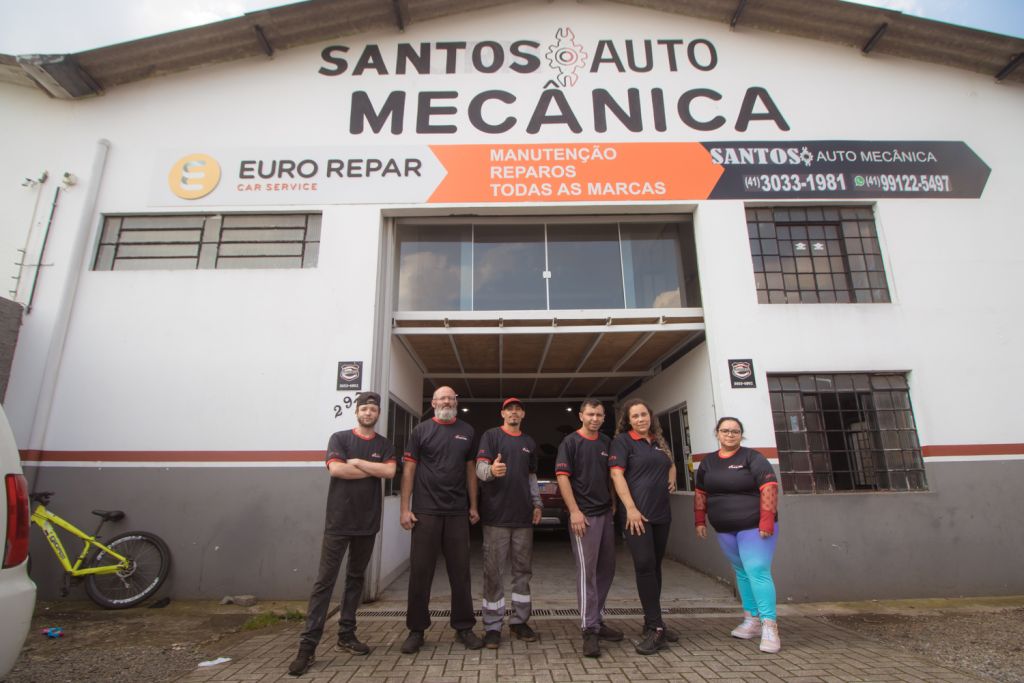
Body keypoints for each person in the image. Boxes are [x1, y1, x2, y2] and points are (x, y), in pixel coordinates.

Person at [288, 392, 397, 677]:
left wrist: (358, 462)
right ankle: (307, 647)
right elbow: (337, 470)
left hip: (367, 523)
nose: (369, 412)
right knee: (324, 582)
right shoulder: (339, 438)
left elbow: (390, 472)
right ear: (357, 412)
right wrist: (372, 469)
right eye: (365, 408)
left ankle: (346, 635)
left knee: (355, 579)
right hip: (338, 522)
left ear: (378, 413)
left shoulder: (384, 444)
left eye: (373, 409)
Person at [399, 386, 484, 654]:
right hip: (425, 511)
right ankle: (416, 630)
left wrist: (473, 505)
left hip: (457, 511)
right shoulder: (420, 431)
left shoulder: (467, 431)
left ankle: (464, 627)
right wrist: (405, 508)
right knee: (420, 572)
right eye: (442, 398)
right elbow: (409, 470)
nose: (447, 401)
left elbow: (470, 470)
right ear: (434, 402)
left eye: (451, 398)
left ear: (456, 402)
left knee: (460, 572)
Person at [694, 417, 781, 653]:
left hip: (754, 527)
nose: (730, 434)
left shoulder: (753, 458)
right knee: (742, 572)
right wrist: (699, 520)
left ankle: (769, 625)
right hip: (724, 529)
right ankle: (752, 621)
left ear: (741, 434)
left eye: (735, 431)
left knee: (757, 572)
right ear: (717, 433)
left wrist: (766, 520)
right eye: (725, 430)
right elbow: (700, 492)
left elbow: (769, 487)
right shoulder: (708, 462)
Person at [609, 398, 678, 655]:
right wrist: (630, 508)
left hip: (661, 514)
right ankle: (656, 628)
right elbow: (616, 474)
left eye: (644, 415)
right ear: (628, 420)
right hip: (636, 516)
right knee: (645, 565)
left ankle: (653, 622)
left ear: (651, 416)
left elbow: (670, 463)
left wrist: (672, 477)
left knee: (655, 567)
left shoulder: (658, 441)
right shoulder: (622, 442)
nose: (641, 419)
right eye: (635, 416)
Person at [555, 399, 623, 658]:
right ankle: (589, 629)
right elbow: (563, 477)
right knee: (587, 573)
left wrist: (613, 502)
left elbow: (611, 475)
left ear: (604, 418)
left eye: (599, 415)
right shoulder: (570, 442)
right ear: (581, 416)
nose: (595, 418)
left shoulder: (606, 442)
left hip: (605, 514)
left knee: (607, 569)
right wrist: (574, 511)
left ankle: (597, 619)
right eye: (591, 414)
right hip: (583, 517)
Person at [475, 397, 543, 648]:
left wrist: (537, 504)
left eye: (518, 409)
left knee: (523, 572)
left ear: (523, 414)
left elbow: (531, 476)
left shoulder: (529, 442)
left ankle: (519, 622)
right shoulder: (491, 436)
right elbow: (479, 469)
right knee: (493, 572)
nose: (513, 413)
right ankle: (492, 626)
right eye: (509, 409)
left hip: (523, 518)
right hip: (496, 517)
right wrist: (492, 471)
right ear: (502, 413)